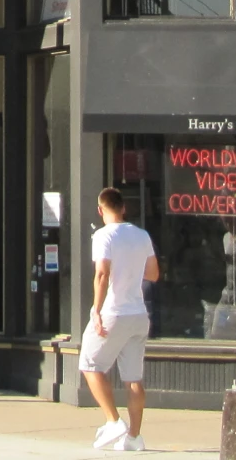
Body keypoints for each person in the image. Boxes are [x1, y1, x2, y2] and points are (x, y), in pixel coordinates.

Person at [82, 185, 159, 452]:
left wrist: (96, 309)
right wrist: (131, 268)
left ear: (100, 210)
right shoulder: (142, 235)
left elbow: (102, 274)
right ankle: (134, 437)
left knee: (89, 363)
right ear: (123, 207)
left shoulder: (103, 236)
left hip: (114, 312)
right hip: (138, 314)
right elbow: (153, 274)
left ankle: (113, 421)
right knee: (133, 379)